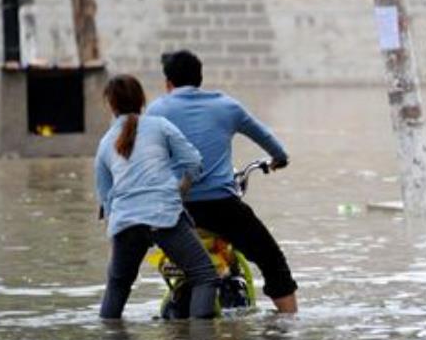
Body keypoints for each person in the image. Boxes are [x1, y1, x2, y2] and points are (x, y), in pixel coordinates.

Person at [146, 50, 298, 313]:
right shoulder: (227, 106)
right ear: (200, 78)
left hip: (176, 209)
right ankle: (288, 324)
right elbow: (271, 143)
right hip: (222, 207)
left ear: (168, 83)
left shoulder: (157, 110)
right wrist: (278, 159)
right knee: (272, 261)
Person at [95, 73, 219, 319]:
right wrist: (181, 189)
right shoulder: (160, 125)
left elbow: (106, 199)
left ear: (111, 105)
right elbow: (193, 162)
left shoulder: (105, 143)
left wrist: (116, 235)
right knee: (204, 275)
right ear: (142, 100)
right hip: (163, 215)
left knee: (118, 286)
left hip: (125, 223)